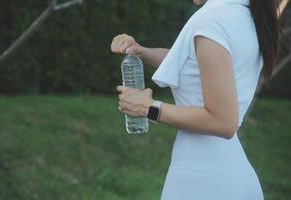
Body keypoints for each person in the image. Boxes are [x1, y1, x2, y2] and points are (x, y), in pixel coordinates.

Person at [111, 0, 279, 199]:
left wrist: (149, 108)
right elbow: (195, 64)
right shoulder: (244, 14)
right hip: (232, 177)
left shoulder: (213, 21)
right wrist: (141, 51)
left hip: (204, 180)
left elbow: (223, 121)